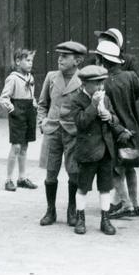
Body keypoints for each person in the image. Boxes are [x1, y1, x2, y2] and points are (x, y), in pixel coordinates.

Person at [69, 65, 131, 236]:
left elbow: (115, 117)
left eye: (101, 83)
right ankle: (80, 218)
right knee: (83, 187)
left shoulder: (106, 98)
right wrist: (94, 105)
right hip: (88, 152)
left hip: (105, 151)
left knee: (105, 187)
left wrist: (110, 117)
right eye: (96, 83)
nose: (100, 87)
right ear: (84, 84)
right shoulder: (77, 99)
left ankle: (105, 219)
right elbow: (80, 122)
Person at [95, 40, 139, 220]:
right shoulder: (130, 76)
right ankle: (134, 204)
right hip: (133, 131)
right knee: (130, 168)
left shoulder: (103, 83)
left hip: (115, 131)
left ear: (103, 61)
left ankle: (126, 205)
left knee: (115, 171)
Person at [37, 40, 87, 227]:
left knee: (74, 173)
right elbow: (42, 103)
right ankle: (50, 210)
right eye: (59, 55)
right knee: (51, 173)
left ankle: (71, 210)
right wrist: (42, 122)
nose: (60, 59)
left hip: (73, 133)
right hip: (52, 132)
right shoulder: (51, 77)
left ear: (77, 60)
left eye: (65, 56)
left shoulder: (83, 79)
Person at [0, 48, 38, 192]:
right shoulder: (13, 78)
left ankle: (22, 178)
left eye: (31, 61)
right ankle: (8, 179)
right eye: (27, 60)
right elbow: (4, 98)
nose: (30, 63)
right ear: (17, 61)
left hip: (28, 112)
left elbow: (31, 95)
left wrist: (33, 103)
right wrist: (12, 109)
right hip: (18, 113)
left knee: (25, 146)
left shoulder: (30, 78)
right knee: (16, 146)